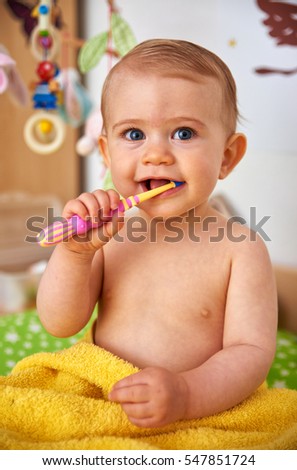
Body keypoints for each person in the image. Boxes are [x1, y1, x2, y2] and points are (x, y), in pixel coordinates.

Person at [37, 39, 278, 429]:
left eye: (183, 133)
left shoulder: (240, 249)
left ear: (226, 157)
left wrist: (186, 394)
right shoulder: (106, 232)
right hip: (103, 394)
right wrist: (75, 255)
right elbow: (60, 323)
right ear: (107, 153)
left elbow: (250, 352)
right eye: (133, 135)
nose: (157, 155)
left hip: (198, 406)